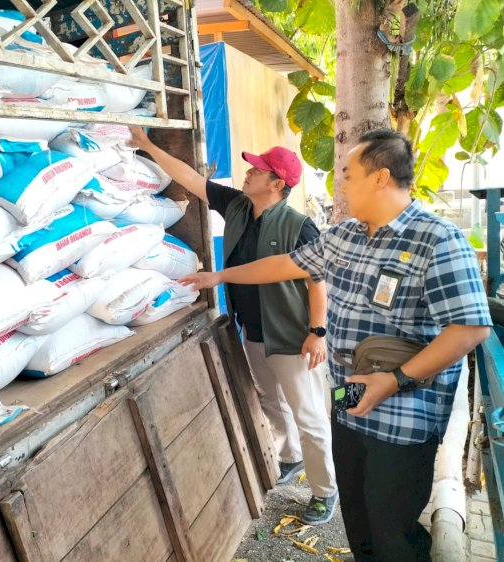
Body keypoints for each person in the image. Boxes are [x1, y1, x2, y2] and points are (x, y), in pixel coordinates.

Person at [180, 128, 492, 561]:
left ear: (380, 178)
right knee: (359, 524)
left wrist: (396, 379)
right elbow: (284, 264)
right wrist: (221, 276)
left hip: (402, 418)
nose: (339, 183)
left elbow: (470, 328)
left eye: (348, 174)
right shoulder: (345, 236)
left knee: (394, 533)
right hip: (349, 402)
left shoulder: (437, 239)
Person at [128, 126, 339, 525]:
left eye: (258, 170)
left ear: (277, 183)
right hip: (254, 331)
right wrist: (148, 146)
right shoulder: (239, 205)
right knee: (271, 401)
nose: (248, 173)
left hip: (293, 338)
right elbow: (190, 179)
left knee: (309, 415)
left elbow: (318, 281)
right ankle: (291, 457)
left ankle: (324, 491)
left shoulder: (300, 226)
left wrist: (317, 332)